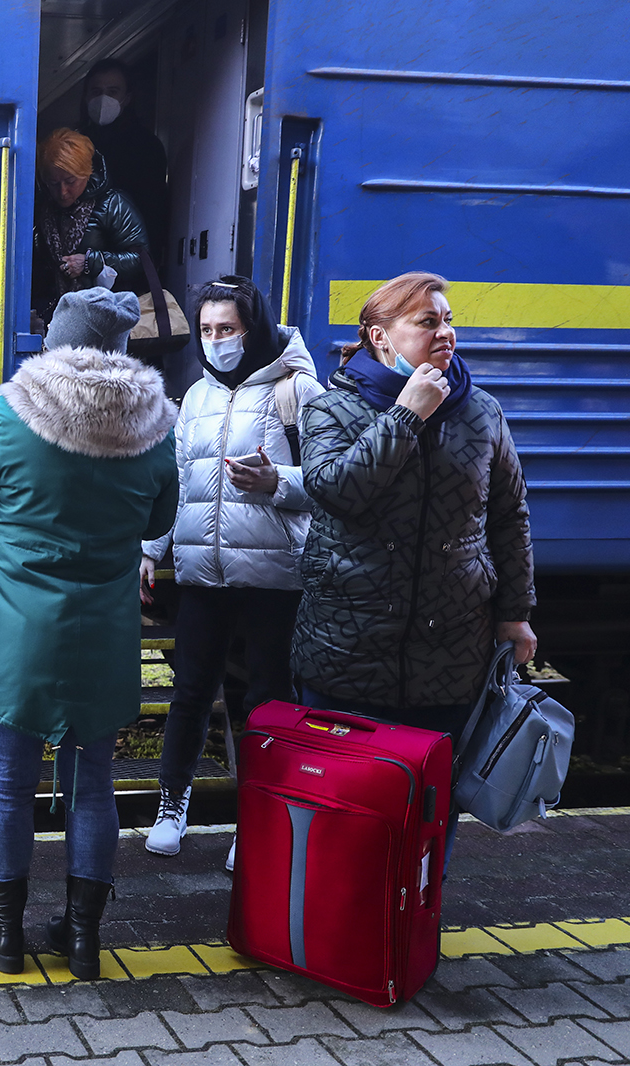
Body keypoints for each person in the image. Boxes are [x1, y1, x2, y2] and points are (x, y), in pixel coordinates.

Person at [0, 286, 178, 978]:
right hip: (102, 633)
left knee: (7, 785)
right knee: (93, 786)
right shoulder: (155, 427)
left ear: (56, 343)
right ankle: (82, 940)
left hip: (17, 633)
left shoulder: (11, 415)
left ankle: (7, 933)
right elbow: (157, 517)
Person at [291, 272, 536, 859]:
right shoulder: (334, 409)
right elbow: (337, 492)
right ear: (380, 337)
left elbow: (509, 517)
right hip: (348, 652)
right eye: (428, 322)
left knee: (430, 809)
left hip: (451, 656)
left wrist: (516, 614)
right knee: (345, 809)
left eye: (448, 320)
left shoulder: (481, 413)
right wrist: (405, 416)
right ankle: (334, 930)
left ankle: (410, 926)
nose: (445, 333)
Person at [140, 277, 324, 865]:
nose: (216, 340)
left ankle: (261, 820)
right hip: (202, 573)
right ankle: (173, 806)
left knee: (268, 700)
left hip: (274, 577)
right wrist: (151, 547)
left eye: (229, 329)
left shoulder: (298, 390)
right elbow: (178, 484)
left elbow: (328, 481)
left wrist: (277, 483)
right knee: (191, 692)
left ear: (256, 329)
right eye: (208, 330)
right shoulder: (194, 397)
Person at [31, 128, 149, 327]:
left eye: (70, 181)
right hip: (59, 317)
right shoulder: (44, 209)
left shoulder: (114, 204)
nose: (62, 192)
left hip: (106, 316)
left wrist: (90, 262)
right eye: (53, 183)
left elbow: (141, 260)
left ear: (87, 172)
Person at [80, 59, 169, 261]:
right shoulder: (76, 144)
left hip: (129, 255)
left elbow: (154, 211)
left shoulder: (147, 146)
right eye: (96, 91)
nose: (103, 99)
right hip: (82, 257)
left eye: (112, 92)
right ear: (86, 96)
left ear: (127, 98)